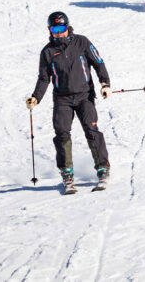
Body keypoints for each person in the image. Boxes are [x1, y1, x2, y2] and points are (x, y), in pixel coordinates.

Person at [26, 12, 112, 194]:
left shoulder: (82, 42)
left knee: (91, 129)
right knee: (62, 133)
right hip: (62, 99)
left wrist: (105, 84)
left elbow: (98, 63)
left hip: (84, 95)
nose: (58, 33)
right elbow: (43, 78)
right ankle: (67, 174)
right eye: (54, 30)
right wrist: (36, 97)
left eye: (61, 29)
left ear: (68, 28)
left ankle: (103, 168)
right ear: (49, 30)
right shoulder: (47, 52)